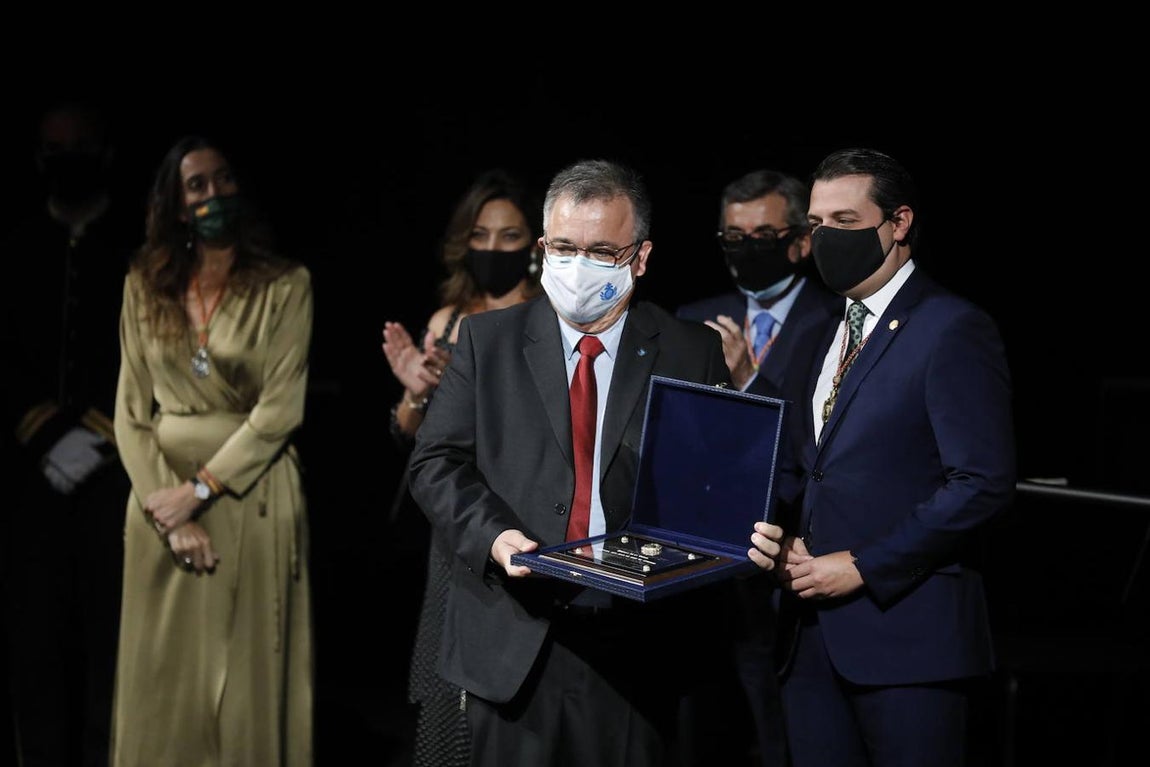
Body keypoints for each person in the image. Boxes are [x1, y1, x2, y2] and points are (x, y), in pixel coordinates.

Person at [407, 157, 785, 767]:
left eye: (602, 251)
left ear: (639, 257)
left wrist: (742, 535)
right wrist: (495, 535)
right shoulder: (488, 341)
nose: (578, 266)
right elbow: (434, 462)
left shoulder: (691, 349)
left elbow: (712, 484)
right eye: (564, 247)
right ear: (543, 247)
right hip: (514, 634)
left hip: (639, 644)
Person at [752, 147, 1016, 766]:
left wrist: (865, 565)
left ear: (898, 223)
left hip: (908, 641)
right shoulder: (819, 328)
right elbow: (798, 461)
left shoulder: (951, 327)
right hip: (807, 637)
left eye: (845, 222)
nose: (825, 238)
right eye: (816, 225)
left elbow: (981, 481)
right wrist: (778, 535)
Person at [110, 135, 314, 766]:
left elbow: (280, 410)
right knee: (160, 676)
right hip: (159, 503)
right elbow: (129, 413)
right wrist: (164, 509)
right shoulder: (145, 285)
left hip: (249, 492)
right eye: (196, 185)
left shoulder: (285, 284)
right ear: (175, 204)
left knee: (248, 677)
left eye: (222, 179)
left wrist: (201, 491)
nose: (212, 194)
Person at [676, 168, 840, 767]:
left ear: (798, 240)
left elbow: (818, 444)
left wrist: (748, 379)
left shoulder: (835, 323)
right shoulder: (695, 316)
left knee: (780, 732)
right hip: (700, 559)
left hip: (787, 559)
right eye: (733, 237)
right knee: (698, 726)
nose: (747, 249)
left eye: (763, 235)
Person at [381, 168, 543, 767]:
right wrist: (415, 392)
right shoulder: (448, 319)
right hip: (455, 529)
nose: (494, 249)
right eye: (481, 235)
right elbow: (416, 442)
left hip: (525, 516)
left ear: (533, 244)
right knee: (450, 696)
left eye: (509, 236)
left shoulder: (548, 316)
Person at [1, 99, 136, 767]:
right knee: (37, 641)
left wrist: (100, 434)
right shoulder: (19, 245)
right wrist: (43, 433)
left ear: (105, 152)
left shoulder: (135, 245)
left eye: (78, 145)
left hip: (115, 471)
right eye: (53, 148)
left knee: (108, 639)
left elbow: (146, 354)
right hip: (31, 477)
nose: (66, 160)